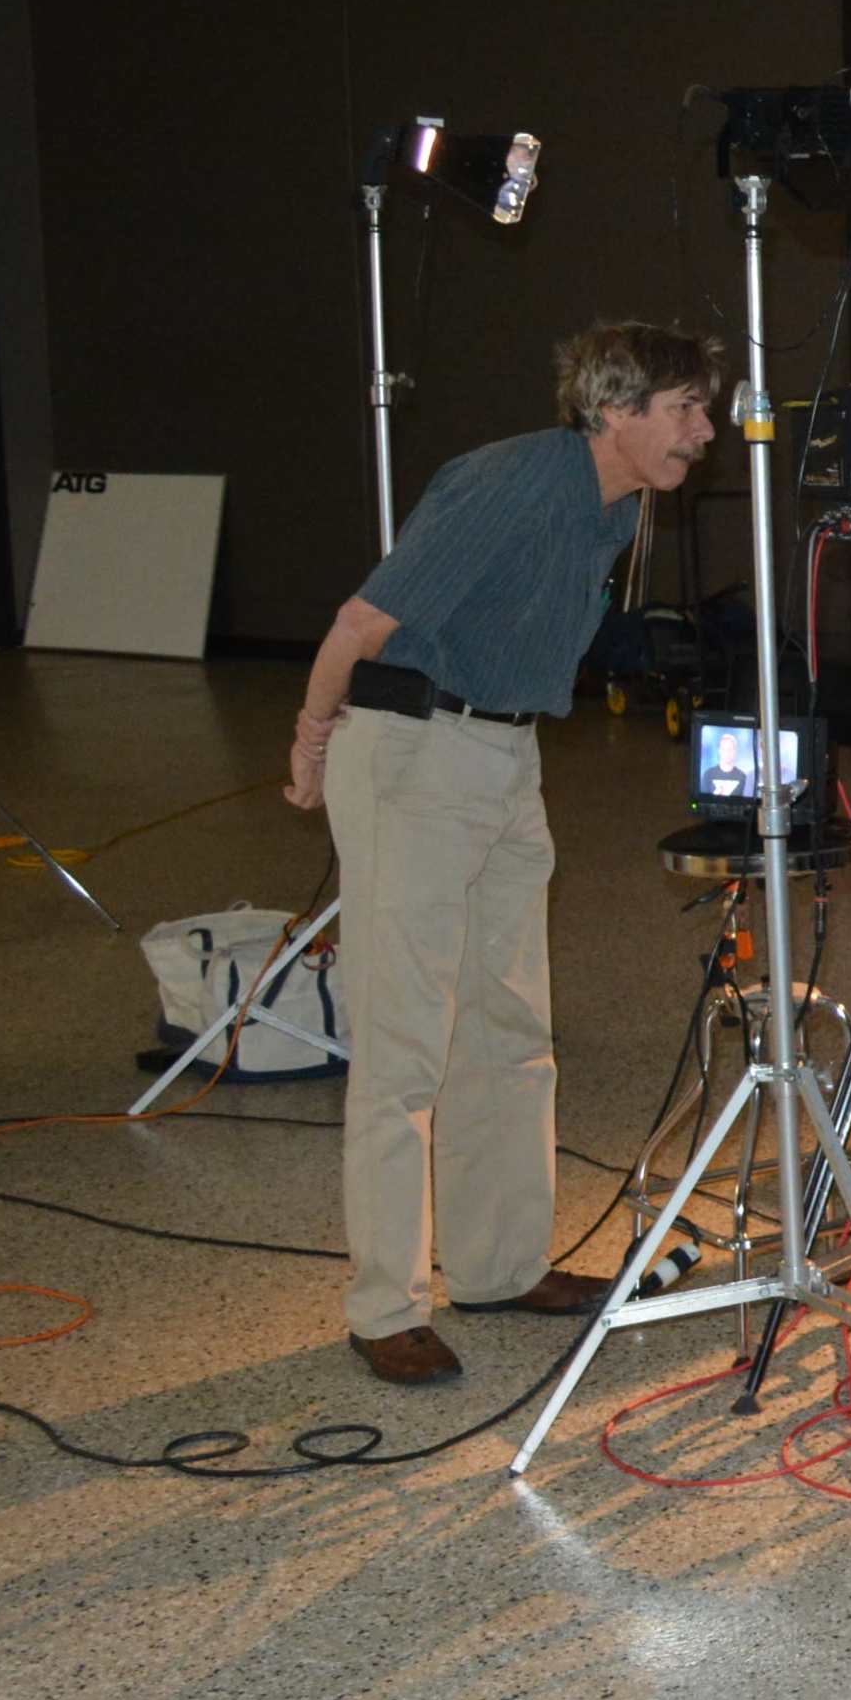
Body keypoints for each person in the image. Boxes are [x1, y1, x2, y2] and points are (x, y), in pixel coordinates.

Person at [284, 321, 719, 1384]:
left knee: (511, 1027)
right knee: (404, 1043)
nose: (706, 432)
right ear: (615, 410)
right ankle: (386, 1305)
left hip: (506, 756)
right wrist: (307, 749)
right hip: (412, 754)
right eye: (686, 409)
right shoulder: (513, 482)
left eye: (705, 410)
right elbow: (357, 623)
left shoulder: (620, 508)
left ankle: (498, 1264)